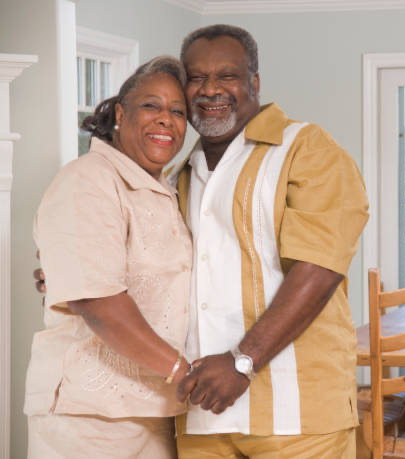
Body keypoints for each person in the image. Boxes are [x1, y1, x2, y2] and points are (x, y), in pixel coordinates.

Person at [169, 25, 369, 458]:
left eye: (227, 76)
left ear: (254, 83)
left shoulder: (306, 149)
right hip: (201, 409)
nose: (210, 89)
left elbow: (319, 270)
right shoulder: (177, 172)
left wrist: (242, 362)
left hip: (298, 413)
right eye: (197, 78)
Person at [25, 56, 193, 459]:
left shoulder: (167, 190)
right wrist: (185, 373)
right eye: (151, 105)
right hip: (89, 415)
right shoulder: (88, 179)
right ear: (120, 113)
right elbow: (98, 302)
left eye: (178, 111)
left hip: (156, 409)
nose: (166, 119)